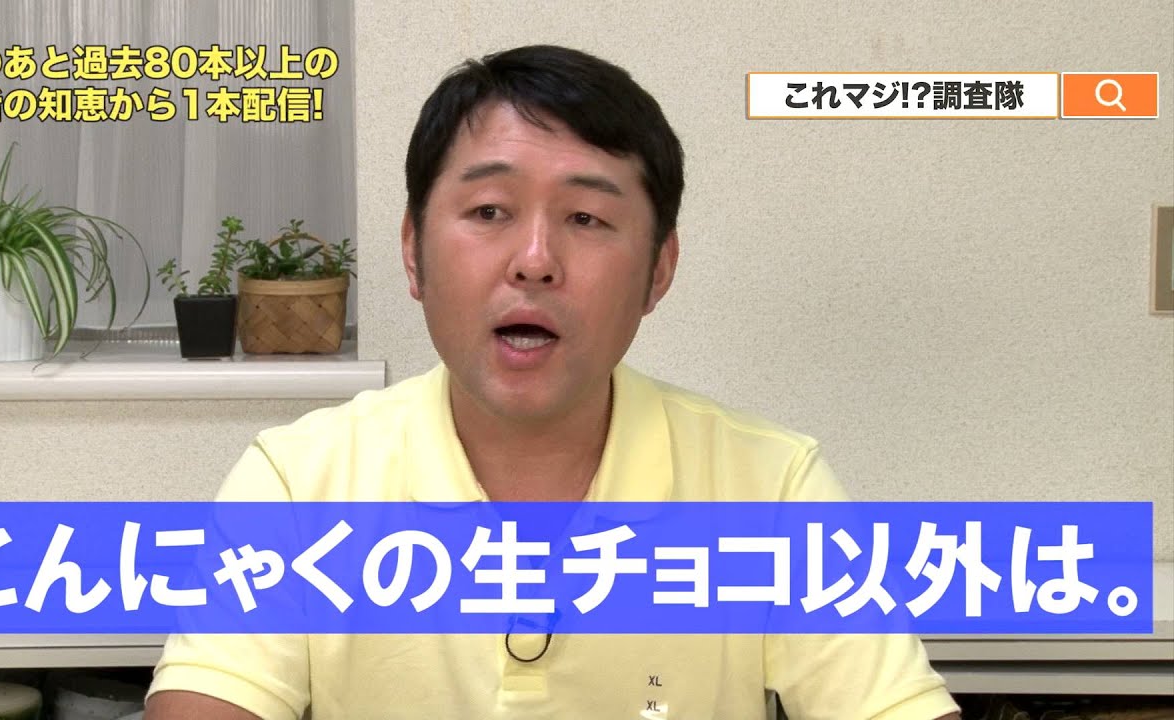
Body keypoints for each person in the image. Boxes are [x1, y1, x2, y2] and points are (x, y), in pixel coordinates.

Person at [143, 44, 962, 720]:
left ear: (659, 270)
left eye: (587, 218)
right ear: (413, 252)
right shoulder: (299, 484)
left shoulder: (769, 487)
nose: (534, 261)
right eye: (489, 212)